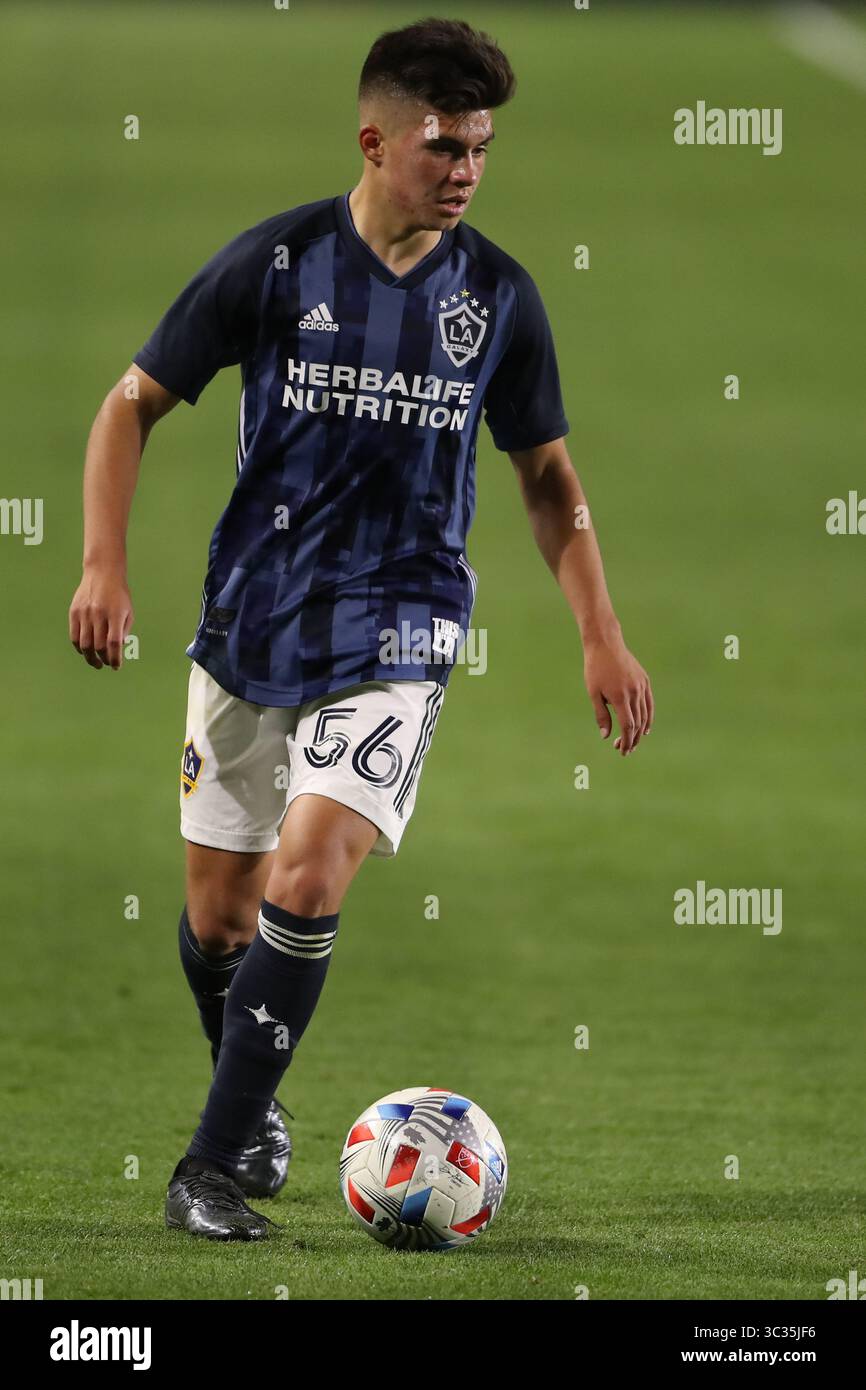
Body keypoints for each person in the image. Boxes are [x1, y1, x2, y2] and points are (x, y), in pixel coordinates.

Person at [69, 17, 653, 1240]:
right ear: (375, 138)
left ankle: (208, 1166)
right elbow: (130, 406)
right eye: (443, 144)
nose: (464, 169)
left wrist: (599, 627)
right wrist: (103, 564)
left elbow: (547, 475)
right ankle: (251, 1090)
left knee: (310, 866)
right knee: (221, 917)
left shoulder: (496, 295)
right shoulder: (277, 266)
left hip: (402, 624)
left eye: (481, 148)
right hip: (251, 621)